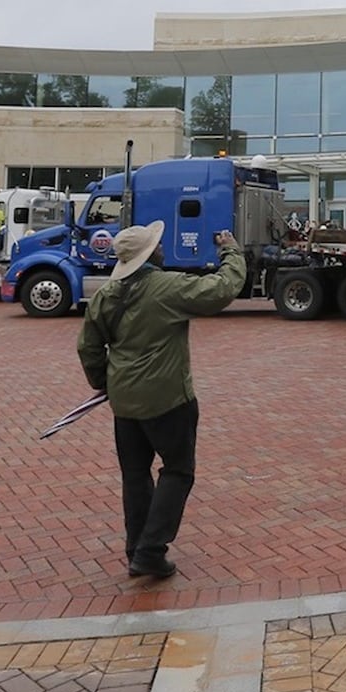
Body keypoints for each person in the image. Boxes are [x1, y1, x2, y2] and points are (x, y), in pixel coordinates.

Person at [76, 220, 247, 580]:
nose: (162, 247)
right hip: (167, 398)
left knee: (135, 475)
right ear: (150, 254)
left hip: (124, 403)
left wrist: (104, 381)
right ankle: (151, 551)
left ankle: (136, 547)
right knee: (178, 469)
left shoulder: (108, 294)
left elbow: (88, 345)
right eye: (157, 244)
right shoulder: (165, 288)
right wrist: (231, 251)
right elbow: (221, 289)